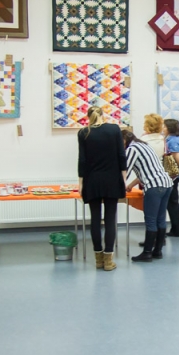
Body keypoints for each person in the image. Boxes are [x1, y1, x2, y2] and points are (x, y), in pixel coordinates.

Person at [77, 106, 127, 272]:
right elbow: (121, 155)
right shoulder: (114, 129)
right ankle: (108, 260)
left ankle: (98, 259)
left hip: (92, 181)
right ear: (102, 115)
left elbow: (82, 160)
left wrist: (80, 183)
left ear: (88, 117)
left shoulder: (84, 133)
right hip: (112, 180)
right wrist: (124, 178)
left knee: (95, 219)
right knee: (110, 219)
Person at [122, 130, 174, 262]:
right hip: (167, 184)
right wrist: (131, 185)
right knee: (160, 219)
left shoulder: (132, 149)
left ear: (123, 140)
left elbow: (124, 171)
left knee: (151, 220)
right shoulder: (145, 146)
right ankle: (157, 251)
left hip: (154, 187)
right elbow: (148, 170)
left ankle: (147, 253)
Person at [138, 113, 166, 248]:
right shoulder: (163, 139)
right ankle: (159, 244)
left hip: (150, 180)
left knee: (150, 216)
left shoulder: (143, 141)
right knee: (161, 216)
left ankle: (148, 247)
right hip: (164, 179)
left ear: (147, 126)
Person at [164, 118, 179, 238]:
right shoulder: (175, 139)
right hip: (175, 175)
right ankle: (176, 229)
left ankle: (178, 230)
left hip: (173, 176)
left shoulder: (172, 141)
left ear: (169, 128)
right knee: (172, 202)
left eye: (164, 126)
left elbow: (178, 159)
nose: (162, 128)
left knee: (172, 203)